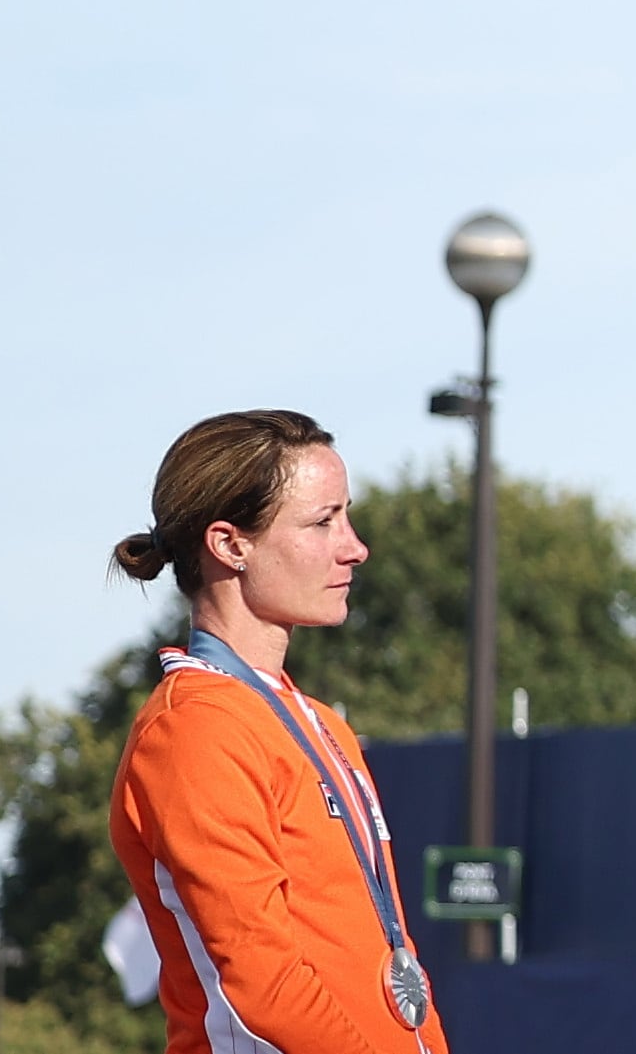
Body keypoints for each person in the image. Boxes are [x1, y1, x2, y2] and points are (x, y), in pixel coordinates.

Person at [105, 408, 450, 1054]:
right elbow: (262, 984)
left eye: (346, 515)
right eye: (324, 521)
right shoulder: (193, 728)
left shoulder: (320, 724)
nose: (355, 545)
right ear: (230, 544)